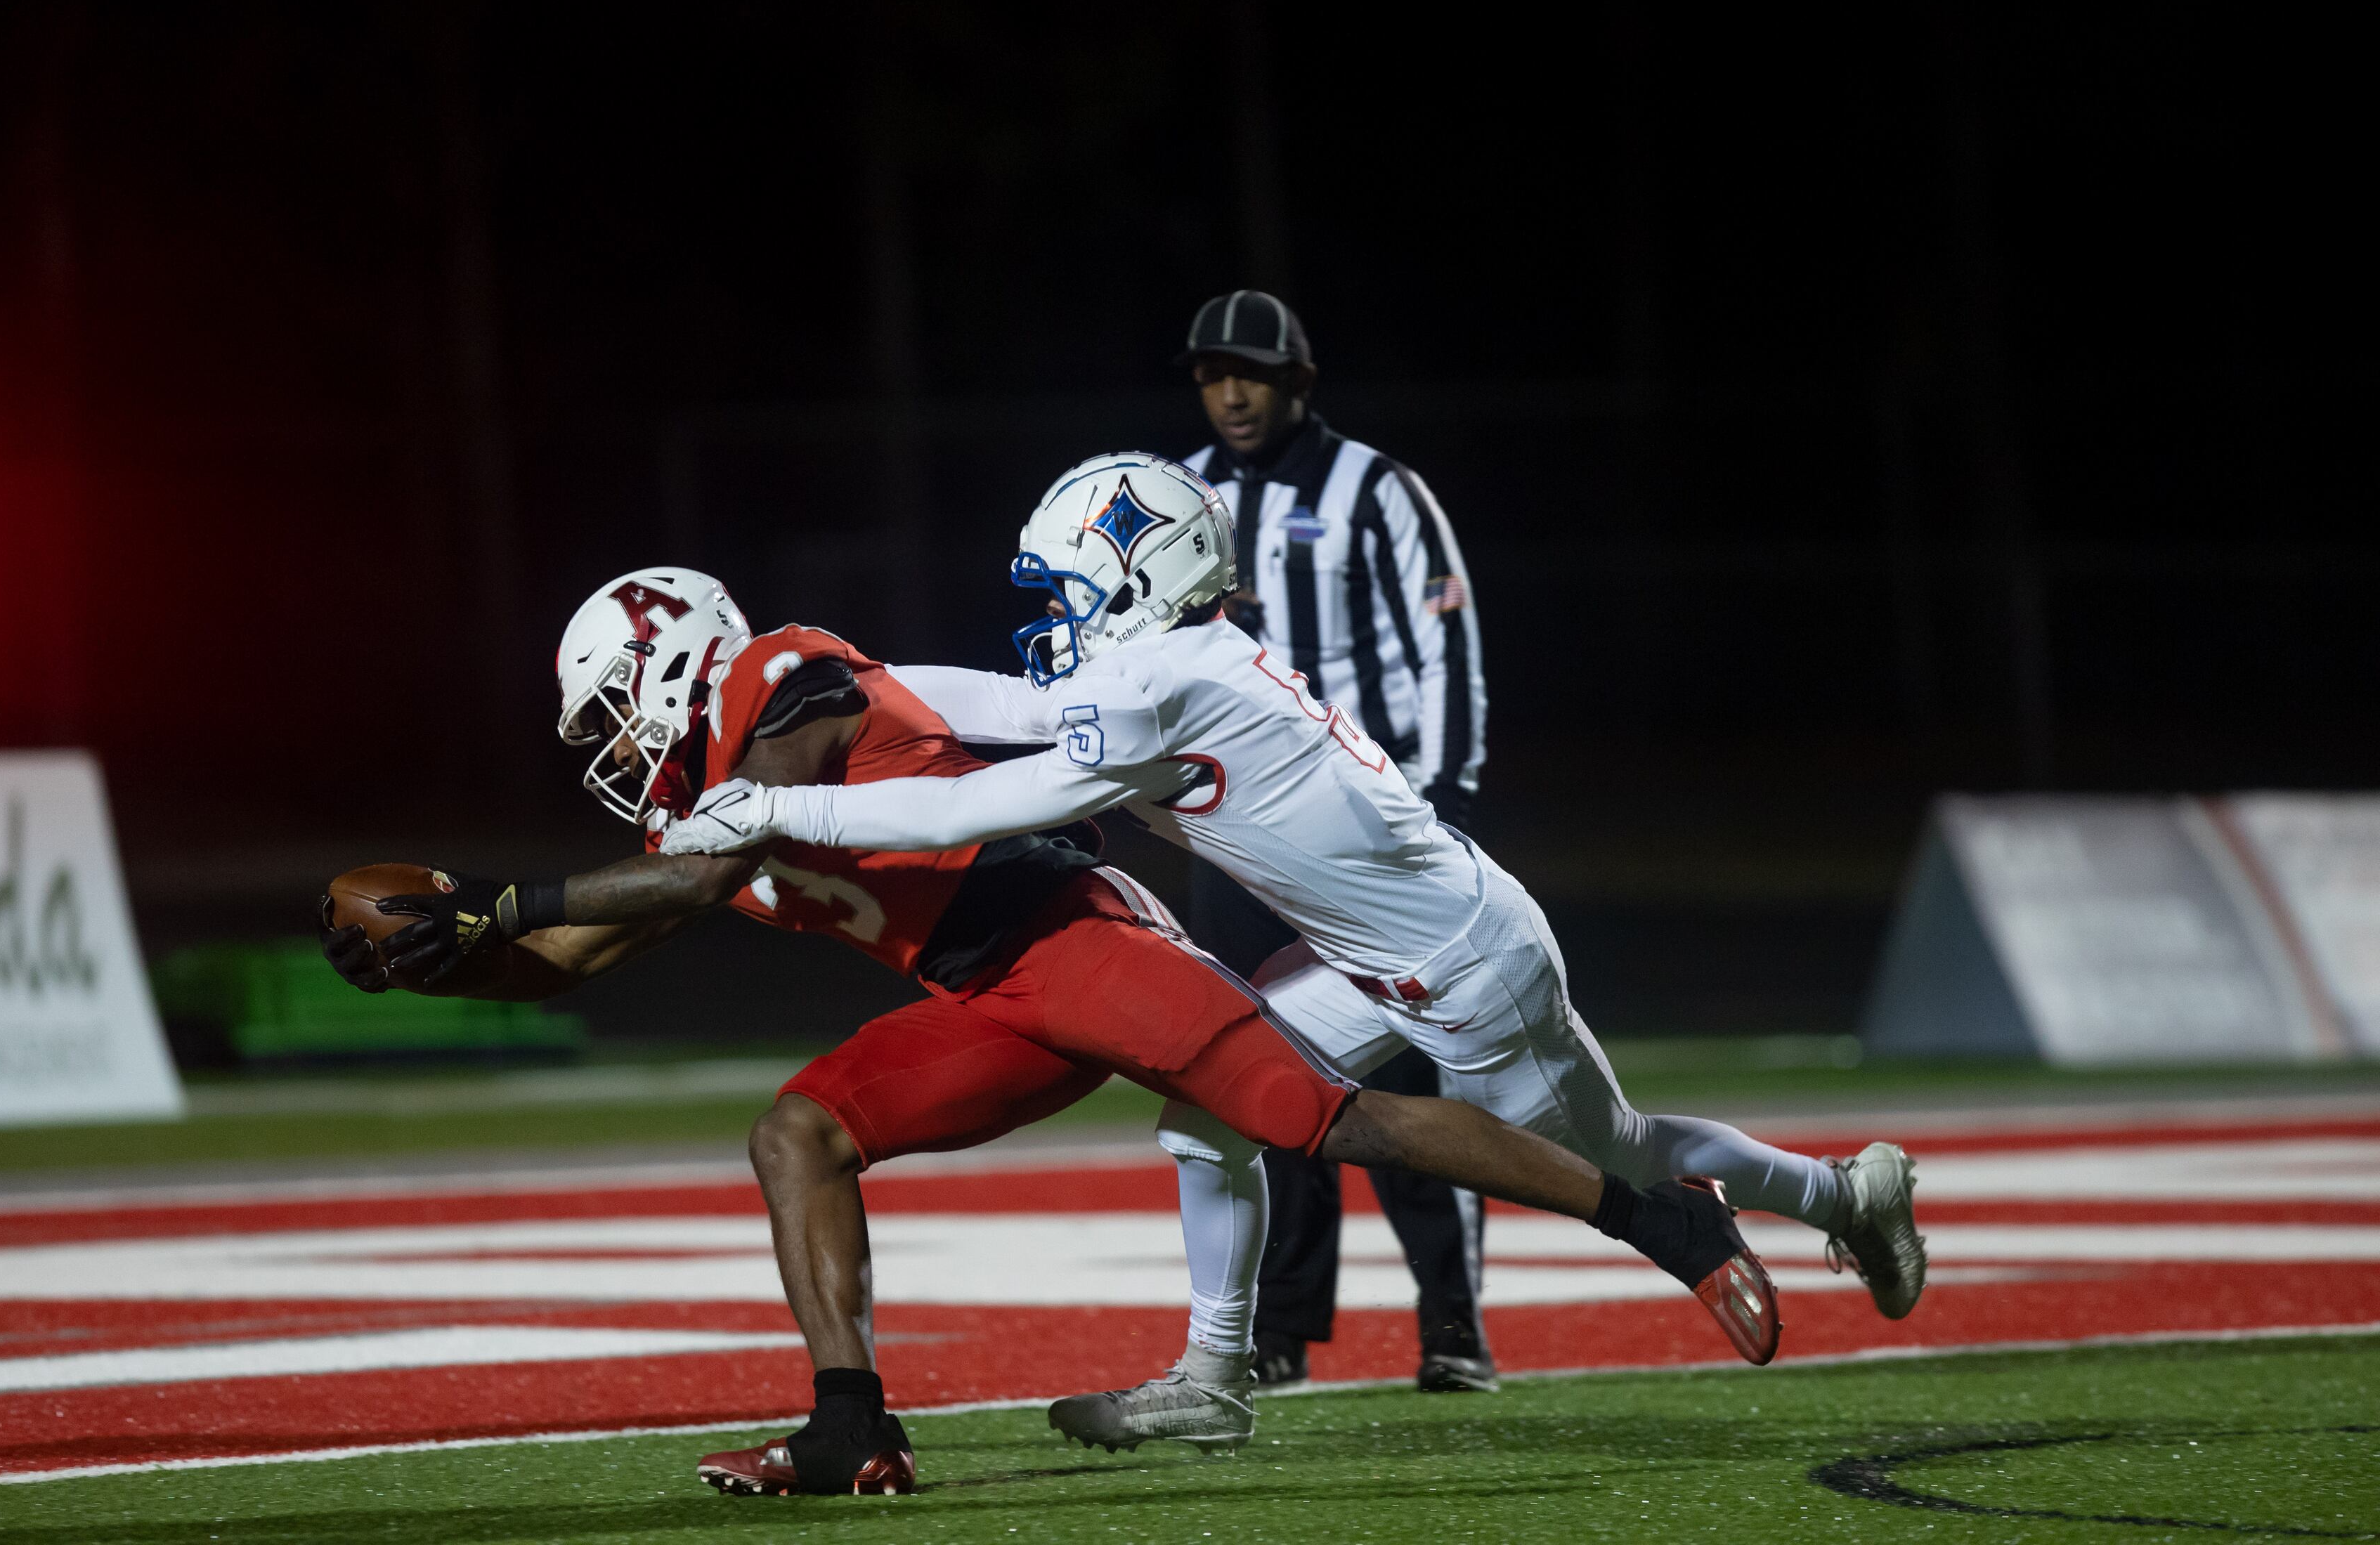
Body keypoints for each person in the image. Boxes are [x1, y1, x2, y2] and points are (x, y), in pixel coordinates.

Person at [320, 566, 1777, 1496]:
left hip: (1071, 927)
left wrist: (486, 896)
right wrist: (437, 958)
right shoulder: (678, 806)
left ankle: (1656, 1213)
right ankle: (854, 1425)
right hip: (977, 995)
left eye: (612, 718)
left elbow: (698, 863)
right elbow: (570, 951)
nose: (613, 754)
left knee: (1314, 1118)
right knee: (799, 1131)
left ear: (673, 659)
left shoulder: (779, 678)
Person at [664, 452, 1924, 1453]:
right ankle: (1215, 1377)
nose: (1050, 619)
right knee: (1205, 1119)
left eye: (1065, 591)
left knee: (1621, 1155)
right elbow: (990, 706)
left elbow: (967, 806)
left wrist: (779, 809)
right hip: (1354, 956)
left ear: (1136, 576)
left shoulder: (1155, 682)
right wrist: (851, 676)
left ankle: (1843, 1194)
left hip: (1466, 967)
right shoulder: (1165, 661)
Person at [1176, 288, 1496, 1390]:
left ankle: (1453, 1320)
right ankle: (1281, 1333)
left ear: (1297, 382)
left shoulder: (1378, 491)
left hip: (1366, 837)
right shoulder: (1184, 498)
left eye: (1251, 374)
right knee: (1263, 1074)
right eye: (1214, 373)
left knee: (1413, 1072)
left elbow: (1444, 648)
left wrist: (1441, 798)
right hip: (1241, 841)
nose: (1230, 394)